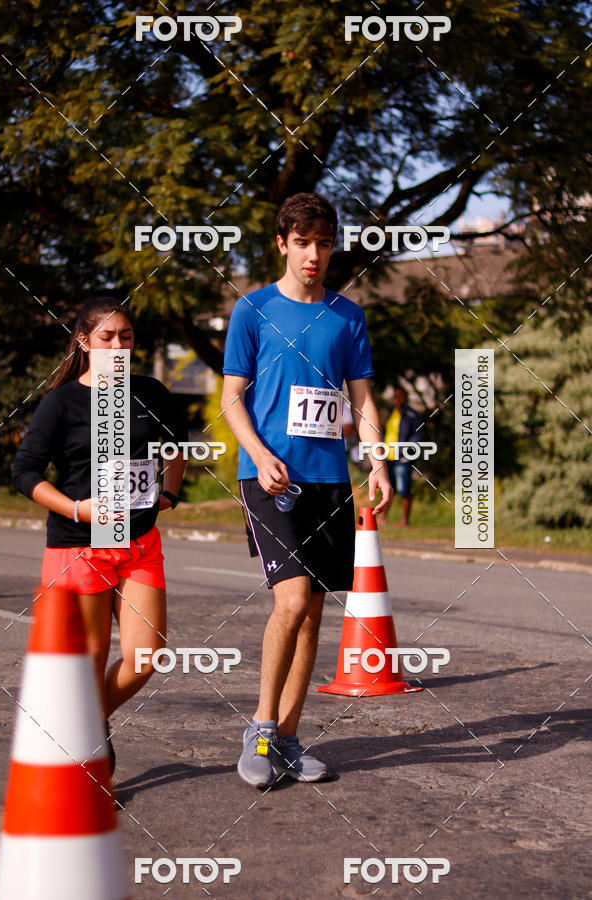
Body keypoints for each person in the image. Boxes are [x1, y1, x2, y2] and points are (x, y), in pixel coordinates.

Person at [222, 192, 391, 788]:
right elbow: (231, 398)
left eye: (323, 243)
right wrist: (261, 453)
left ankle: (289, 739)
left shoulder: (348, 315)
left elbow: (364, 398)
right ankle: (261, 731)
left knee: (314, 616)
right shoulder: (253, 310)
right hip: (271, 477)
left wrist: (378, 461)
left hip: (329, 480)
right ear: (282, 244)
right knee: (290, 602)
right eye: (302, 243)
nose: (313, 254)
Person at [12, 297, 187, 772]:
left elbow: (175, 450)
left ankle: (80, 729)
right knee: (90, 661)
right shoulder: (62, 401)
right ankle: (87, 759)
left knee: (147, 657)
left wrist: (169, 496)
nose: (117, 345)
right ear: (85, 342)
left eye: (125, 337)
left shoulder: (151, 393)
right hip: (78, 546)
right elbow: (25, 471)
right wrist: (75, 507)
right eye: (106, 337)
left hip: (139, 544)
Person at [382, 386, 424, 526]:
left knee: (404, 488)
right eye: (395, 396)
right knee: (389, 487)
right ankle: (382, 518)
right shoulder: (390, 412)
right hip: (389, 456)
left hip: (403, 458)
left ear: (405, 398)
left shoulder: (412, 415)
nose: (397, 399)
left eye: (400, 396)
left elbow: (418, 435)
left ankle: (405, 520)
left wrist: (406, 450)